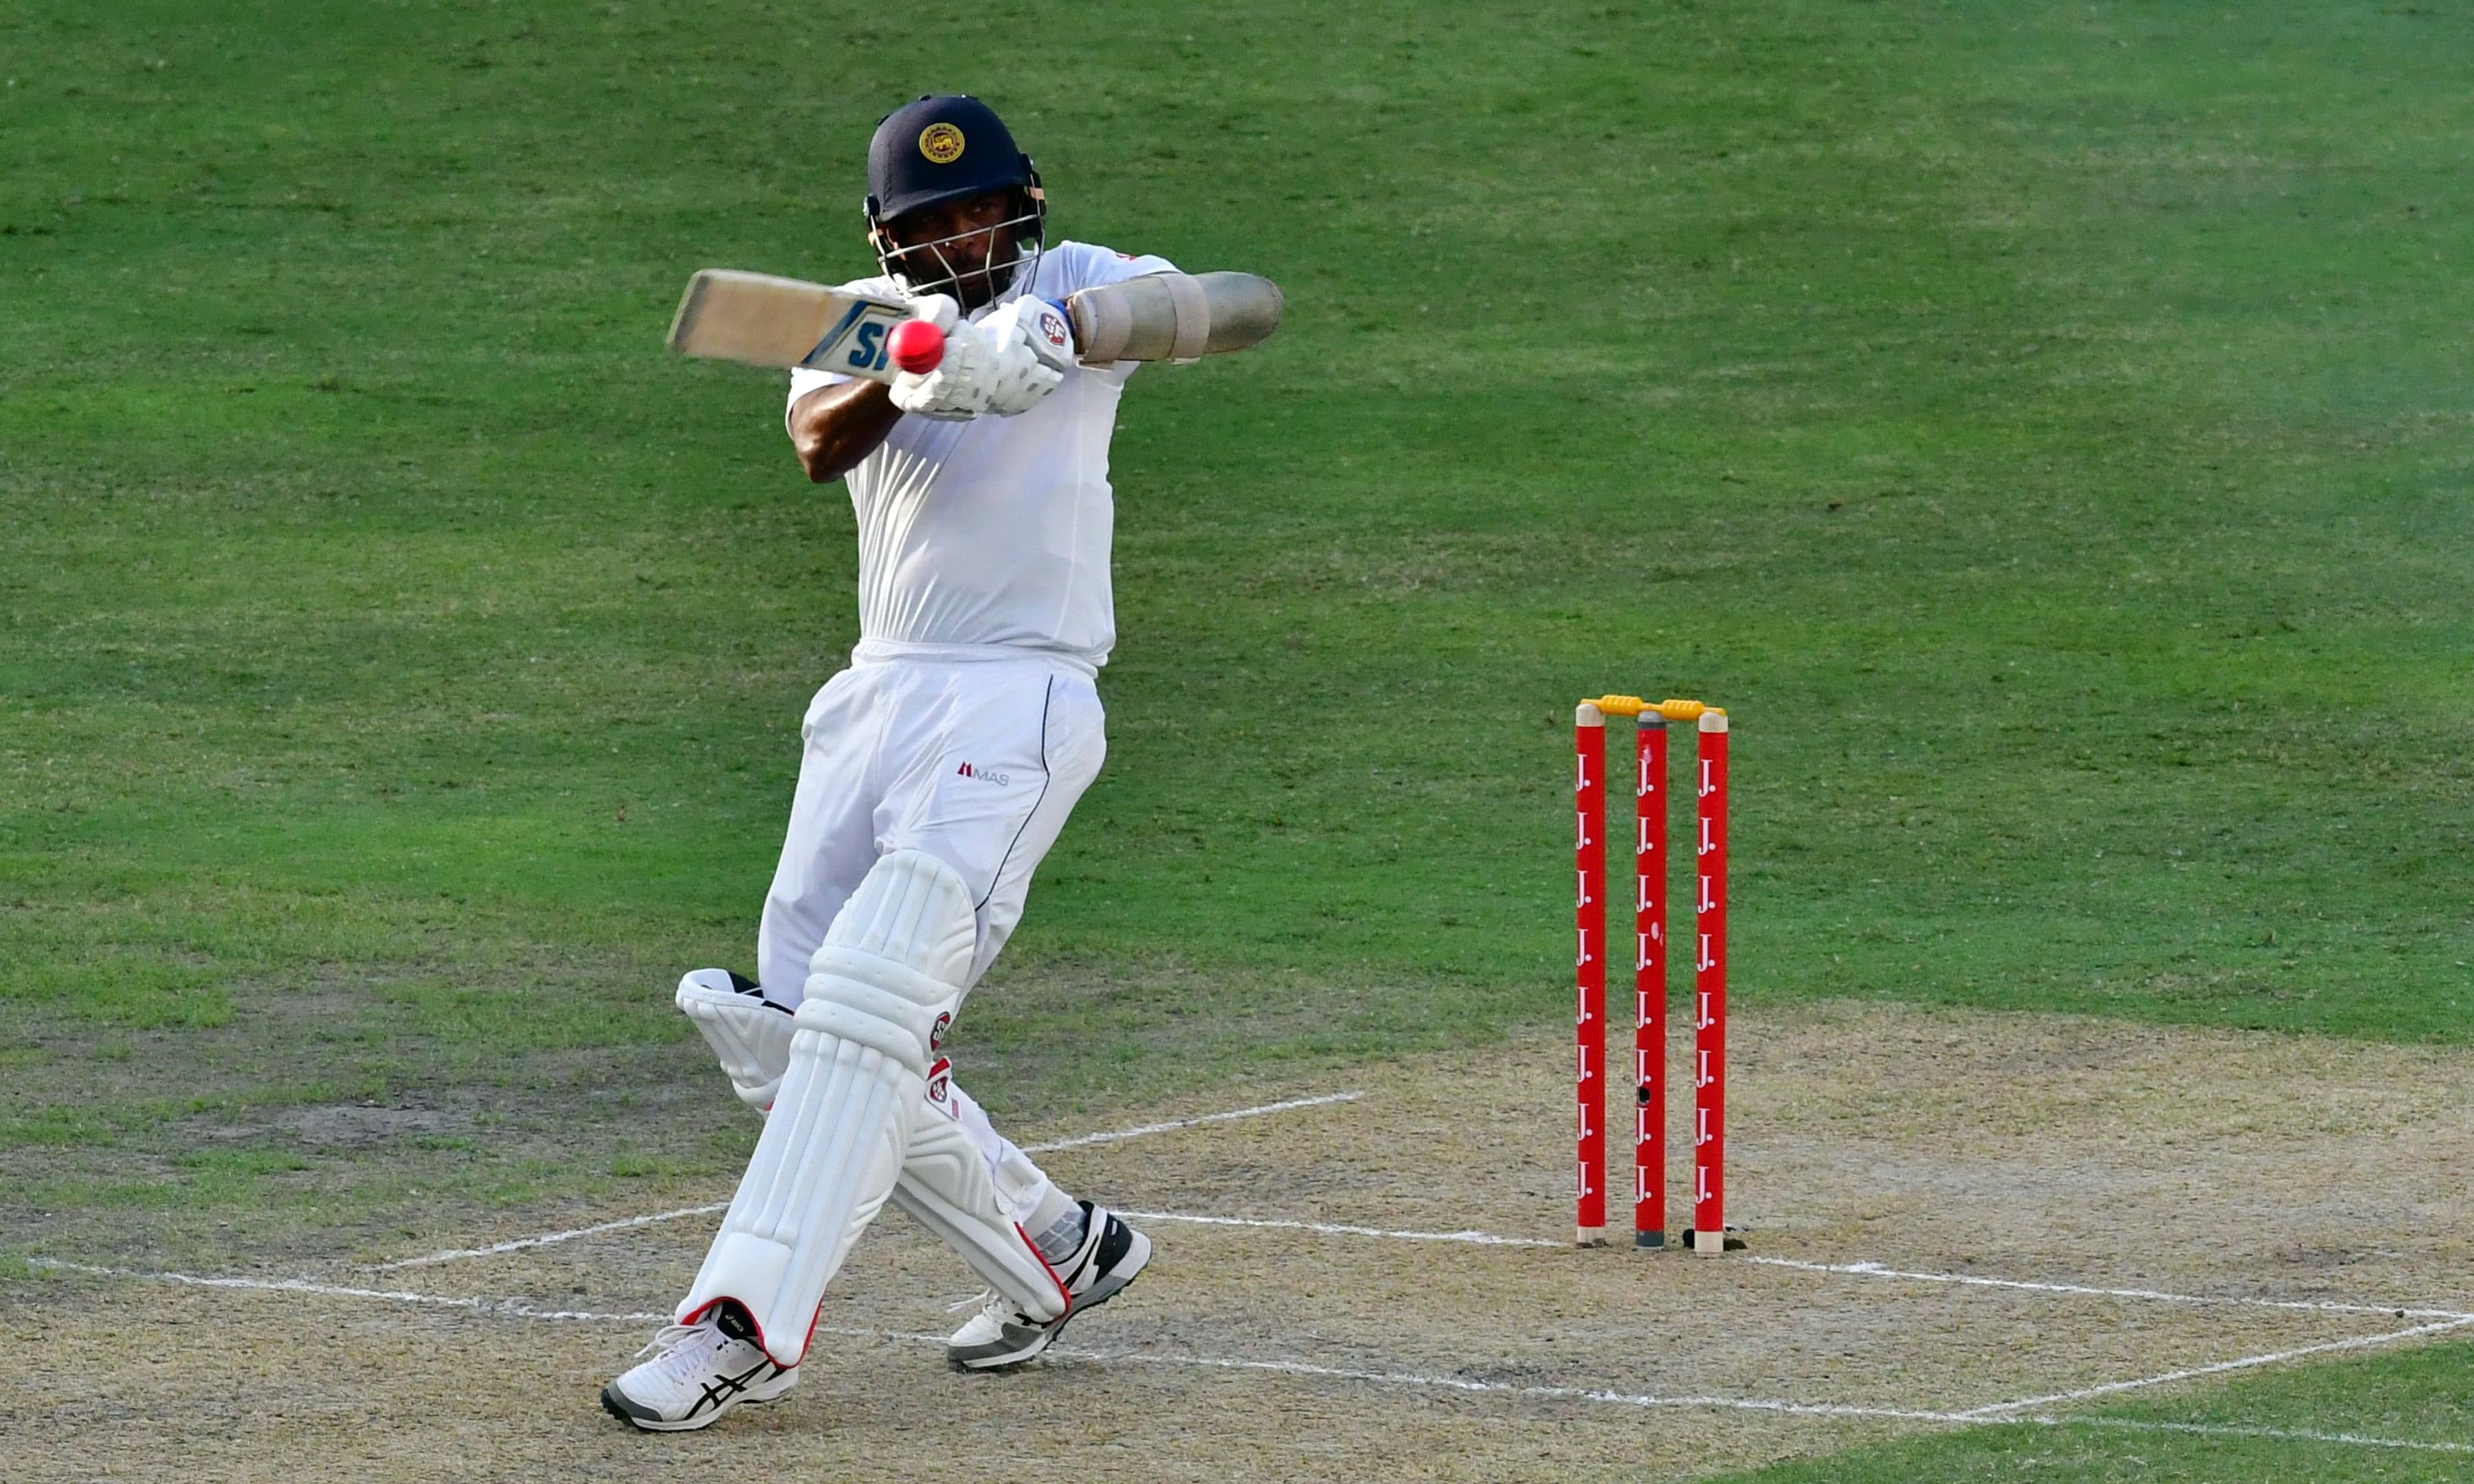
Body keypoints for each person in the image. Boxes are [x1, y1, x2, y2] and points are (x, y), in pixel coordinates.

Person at [601, 94, 1266, 1432]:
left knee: (868, 991)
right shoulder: (859, 317)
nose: (963, 239)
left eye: (981, 213)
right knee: (791, 1033)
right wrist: (926, 365)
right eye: (931, 225)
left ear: (1024, 205)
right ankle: (1058, 1245)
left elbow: (1239, 304)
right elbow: (818, 437)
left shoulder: (1083, 282)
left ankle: (739, 1325)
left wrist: (1069, 334)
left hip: (1019, 696)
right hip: (878, 693)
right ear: (888, 240)